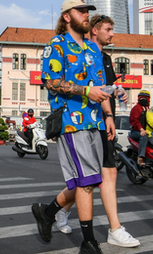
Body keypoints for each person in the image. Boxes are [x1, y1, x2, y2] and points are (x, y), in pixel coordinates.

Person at [31, 0, 114, 254]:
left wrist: (109, 115)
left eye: (88, 11)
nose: (86, 15)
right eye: (81, 11)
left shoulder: (92, 50)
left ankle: (47, 212)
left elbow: (100, 87)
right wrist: (85, 91)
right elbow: (51, 81)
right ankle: (88, 242)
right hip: (71, 122)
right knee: (86, 183)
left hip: (95, 122)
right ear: (67, 16)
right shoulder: (56, 46)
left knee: (86, 180)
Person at [54, 14, 139, 248]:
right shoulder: (80, 53)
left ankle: (111, 227)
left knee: (100, 176)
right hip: (82, 122)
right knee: (89, 179)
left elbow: (106, 88)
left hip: (101, 123)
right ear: (94, 31)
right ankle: (59, 212)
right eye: (109, 29)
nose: (112, 34)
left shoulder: (105, 59)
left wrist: (113, 107)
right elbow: (56, 81)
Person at [128, 90, 151, 166]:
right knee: (144, 136)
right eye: (142, 98)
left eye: (145, 98)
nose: (143, 99)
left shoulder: (148, 109)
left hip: (145, 130)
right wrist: (141, 129)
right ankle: (140, 157)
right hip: (136, 131)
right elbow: (135, 121)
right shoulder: (136, 108)